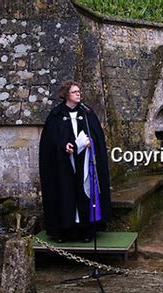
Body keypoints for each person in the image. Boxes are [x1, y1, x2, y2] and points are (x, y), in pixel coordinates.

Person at [39, 80, 111, 243]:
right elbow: (49, 141)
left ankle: (86, 230)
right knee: (64, 193)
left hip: (84, 162)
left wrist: (89, 143)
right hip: (63, 164)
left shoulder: (87, 113)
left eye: (79, 91)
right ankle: (64, 230)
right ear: (66, 95)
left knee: (84, 192)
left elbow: (97, 137)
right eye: (74, 92)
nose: (78, 94)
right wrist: (64, 146)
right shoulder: (56, 115)